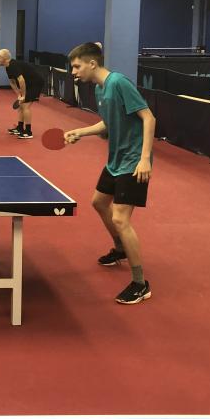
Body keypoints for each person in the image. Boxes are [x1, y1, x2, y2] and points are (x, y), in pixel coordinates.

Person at [64, 42, 156, 305]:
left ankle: (140, 284)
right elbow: (107, 123)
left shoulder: (118, 82)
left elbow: (149, 118)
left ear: (92, 63)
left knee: (120, 219)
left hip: (133, 161)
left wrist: (145, 159)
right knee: (98, 202)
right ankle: (120, 248)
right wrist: (81, 132)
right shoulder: (100, 88)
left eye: (77, 66)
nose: (73, 72)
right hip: (116, 159)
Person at [0, 49, 43, 138]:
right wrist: (18, 94)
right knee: (21, 105)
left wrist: (23, 95)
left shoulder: (13, 66)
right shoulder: (7, 67)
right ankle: (20, 128)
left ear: (4, 58)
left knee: (25, 106)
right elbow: (12, 82)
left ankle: (28, 132)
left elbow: (21, 80)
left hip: (35, 83)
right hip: (28, 84)